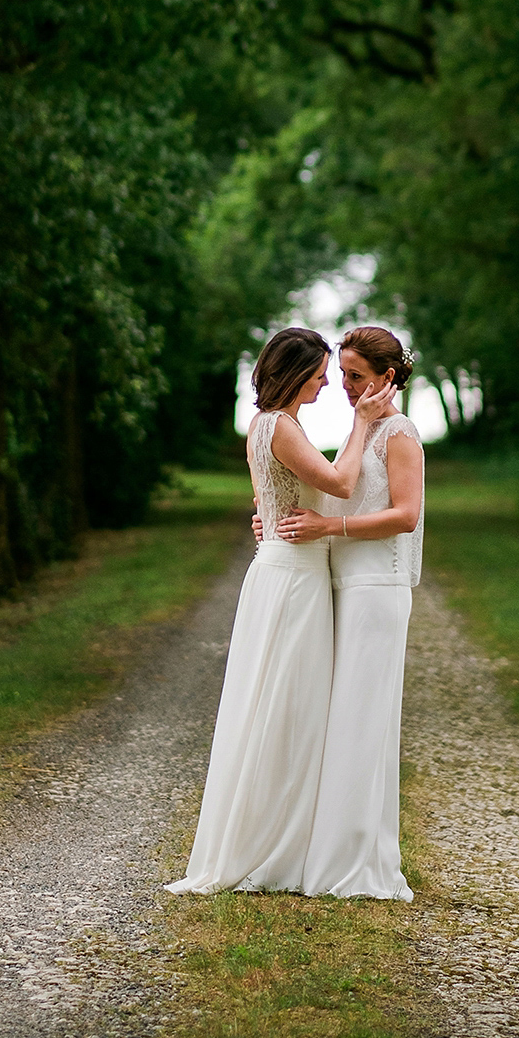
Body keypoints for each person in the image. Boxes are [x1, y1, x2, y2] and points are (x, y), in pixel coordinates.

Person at [167, 326, 393, 896]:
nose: (327, 382)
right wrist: (364, 424)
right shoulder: (281, 427)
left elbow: (275, 498)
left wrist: (269, 518)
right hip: (292, 581)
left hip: (292, 571)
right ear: (296, 374)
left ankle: (285, 842)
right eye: (321, 372)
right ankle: (267, 847)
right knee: (282, 707)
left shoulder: (272, 426)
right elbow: (341, 484)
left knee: (290, 707)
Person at [276, 326, 424, 901]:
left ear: (387, 378)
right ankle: (327, 853)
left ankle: (357, 859)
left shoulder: (402, 435)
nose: (343, 386)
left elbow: (405, 516)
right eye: (341, 374)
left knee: (365, 721)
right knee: (341, 721)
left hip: (377, 589)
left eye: (356, 376)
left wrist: (329, 527)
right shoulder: (362, 430)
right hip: (344, 582)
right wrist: (283, 522)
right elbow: (334, 491)